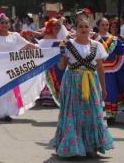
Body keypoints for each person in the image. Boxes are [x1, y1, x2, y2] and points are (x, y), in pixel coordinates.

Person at [50, 17, 114, 158]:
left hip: (91, 82)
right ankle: (73, 145)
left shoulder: (97, 45)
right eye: (81, 27)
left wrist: (104, 88)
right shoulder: (69, 44)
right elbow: (61, 66)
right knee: (74, 113)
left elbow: (101, 69)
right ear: (76, 29)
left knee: (91, 113)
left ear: (91, 29)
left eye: (86, 26)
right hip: (72, 82)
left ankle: (91, 145)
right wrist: (61, 50)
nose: (84, 29)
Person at [93, 17, 124, 122]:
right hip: (95, 69)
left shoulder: (113, 39)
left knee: (110, 92)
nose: (105, 27)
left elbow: (123, 50)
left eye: (107, 25)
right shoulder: (93, 39)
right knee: (95, 91)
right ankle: (97, 114)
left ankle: (110, 115)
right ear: (98, 26)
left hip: (109, 70)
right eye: (103, 25)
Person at [37, 18, 65, 106]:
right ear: (50, 27)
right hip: (48, 66)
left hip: (60, 64)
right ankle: (47, 98)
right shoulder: (43, 41)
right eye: (54, 25)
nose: (57, 27)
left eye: (58, 26)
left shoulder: (63, 39)